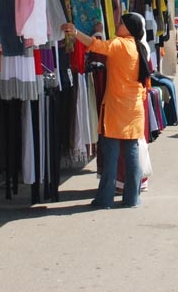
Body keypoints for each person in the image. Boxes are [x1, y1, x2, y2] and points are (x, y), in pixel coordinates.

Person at [61, 13, 150, 208]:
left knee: (111, 154)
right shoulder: (140, 47)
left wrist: (75, 32)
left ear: (128, 27)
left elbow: (95, 44)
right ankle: (132, 198)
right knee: (132, 153)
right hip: (134, 108)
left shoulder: (120, 44)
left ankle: (104, 198)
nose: (118, 25)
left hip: (116, 107)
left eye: (121, 23)